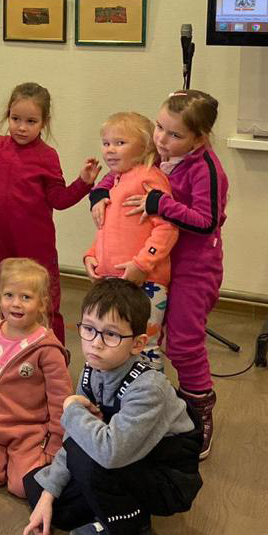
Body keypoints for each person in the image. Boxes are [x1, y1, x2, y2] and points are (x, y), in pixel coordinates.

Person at [21, 278, 202, 535]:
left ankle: (132, 527)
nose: (96, 343)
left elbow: (110, 452)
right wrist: (49, 494)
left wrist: (71, 408)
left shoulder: (148, 388)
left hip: (165, 476)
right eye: (89, 329)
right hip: (126, 458)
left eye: (111, 335)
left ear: (138, 344)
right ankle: (108, 505)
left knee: (86, 457)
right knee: (43, 493)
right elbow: (74, 437)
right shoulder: (93, 370)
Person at [91, 90, 228, 458]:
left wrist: (160, 204)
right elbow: (120, 173)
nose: (162, 140)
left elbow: (207, 221)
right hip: (158, 264)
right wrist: (98, 194)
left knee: (182, 343)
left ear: (199, 139)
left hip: (194, 266)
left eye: (174, 134)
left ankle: (197, 412)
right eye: (159, 128)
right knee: (138, 338)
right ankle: (144, 407)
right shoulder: (161, 152)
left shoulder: (207, 169)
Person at [0, 82, 101, 342]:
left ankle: (53, 353)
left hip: (37, 246)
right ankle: (10, 351)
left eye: (31, 121)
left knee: (44, 302)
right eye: (15, 119)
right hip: (2, 244)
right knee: (9, 300)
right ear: (7, 115)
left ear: (44, 122)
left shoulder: (47, 156)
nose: (21, 127)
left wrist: (83, 183)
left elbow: (58, 199)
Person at [0, 258, 72, 499]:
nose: (16, 303)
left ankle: (26, 459)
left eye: (26, 297)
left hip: (29, 431)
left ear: (42, 303)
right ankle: (4, 459)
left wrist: (55, 443)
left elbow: (60, 399)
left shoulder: (46, 348)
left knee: (22, 487)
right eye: (9, 295)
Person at [84, 113, 178, 369]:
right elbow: (108, 229)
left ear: (145, 146)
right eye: (106, 143)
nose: (110, 150)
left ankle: (149, 392)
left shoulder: (149, 177)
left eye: (120, 143)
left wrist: (142, 264)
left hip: (146, 282)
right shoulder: (116, 180)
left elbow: (167, 228)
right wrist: (92, 255)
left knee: (143, 345)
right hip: (111, 279)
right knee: (111, 342)